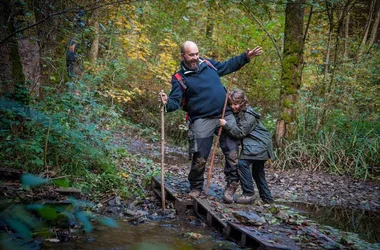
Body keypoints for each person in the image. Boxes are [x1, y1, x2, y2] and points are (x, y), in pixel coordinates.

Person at [159, 41, 262, 202]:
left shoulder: (208, 64)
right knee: (199, 156)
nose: (195, 57)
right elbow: (175, 102)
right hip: (201, 118)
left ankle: (231, 185)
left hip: (224, 113)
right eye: (191, 55)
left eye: (196, 54)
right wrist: (166, 103)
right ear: (182, 56)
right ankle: (196, 186)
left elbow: (228, 66)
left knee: (232, 153)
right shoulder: (179, 77)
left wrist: (245, 57)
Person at [219, 89, 274, 204]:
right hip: (258, 145)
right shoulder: (241, 112)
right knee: (257, 173)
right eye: (231, 105)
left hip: (259, 145)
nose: (233, 107)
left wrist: (226, 124)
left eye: (236, 104)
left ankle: (249, 194)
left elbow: (240, 133)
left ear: (243, 103)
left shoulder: (249, 115)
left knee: (242, 164)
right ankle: (268, 200)